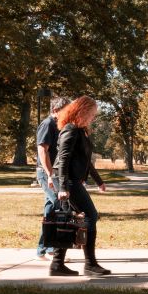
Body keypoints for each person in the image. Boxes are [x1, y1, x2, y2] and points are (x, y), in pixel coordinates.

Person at [51, 95, 109, 276]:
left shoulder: (81, 130)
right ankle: (90, 264)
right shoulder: (71, 129)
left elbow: (86, 161)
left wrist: (98, 181)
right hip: (67, 181)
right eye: (92, 113)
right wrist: (62, 187)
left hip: (72, 180)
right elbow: (63, 159)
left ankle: (57, 265)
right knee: (90, 215)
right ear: (82, 111)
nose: (93, 117)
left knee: (69, 220)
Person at [35, 95, 69, 260]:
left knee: (51, 207)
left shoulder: (58, 125)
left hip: (52, 172)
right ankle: (49, 248)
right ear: (55, 110)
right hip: (45, 172)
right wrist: (49, 174)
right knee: (57, 204)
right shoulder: (48, 124)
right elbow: (43, 151)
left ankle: (43, 249)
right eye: (65, 111)